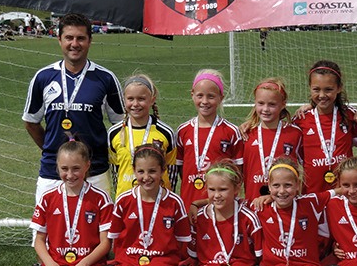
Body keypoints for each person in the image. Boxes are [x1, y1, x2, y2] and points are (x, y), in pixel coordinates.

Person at [23, 12, 124, 204]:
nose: (74, 44)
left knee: (96, 232)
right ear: (59, 39)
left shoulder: (106, 79)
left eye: (80, 38)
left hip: (94, 172)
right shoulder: (43, 78)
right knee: (48, 231)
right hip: (53, 172)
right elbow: (31, 122)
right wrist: (54, 151)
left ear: (90, 41)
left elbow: (121, 126)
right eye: (69, 38)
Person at [30, 139, 113, 266]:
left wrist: (85, 263)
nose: (70, 175)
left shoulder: (100, 199)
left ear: (87, 165)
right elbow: (39, 240)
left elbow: (105, 243)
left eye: (76, 169)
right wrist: (48, 262)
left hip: (87, 264)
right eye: (64, 169)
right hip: (55, 264)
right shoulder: (48, 198)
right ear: (57, 168)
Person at [108, 144, 191, 266]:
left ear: (163, 170)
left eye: (152, 171)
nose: (146, 177)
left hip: (160, 263)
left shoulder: (174, 202)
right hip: (129, 263)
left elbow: (181, 241)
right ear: (134, 171)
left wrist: (162, 254)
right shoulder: (124, 200)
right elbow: (116, 238)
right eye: (141, 171)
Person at [256, 157, 332, 266]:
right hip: (275, 264)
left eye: (288, 185)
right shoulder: (261, 207)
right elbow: (227, 201)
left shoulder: (310, 203)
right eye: (276, 186)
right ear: (269, 186)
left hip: (306, 263)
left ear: (298, 185)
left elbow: (342, 190)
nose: (281, 191)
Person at [188, 160, 262, 266]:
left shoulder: (247, 217)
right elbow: (193, 255)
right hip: (210, 264)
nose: (217, 195)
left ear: (236, 189)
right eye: (212, 189)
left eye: (223, 189)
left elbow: (258, 253)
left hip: (240, 263)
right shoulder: (199, 218)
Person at [176, 69, 242, 210]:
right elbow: (181, 169)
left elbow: (238, 173)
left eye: (211, 96)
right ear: (192, 95)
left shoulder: (231, 131)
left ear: (221, 97)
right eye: (200, 95)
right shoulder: (183, 131)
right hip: (189, 203)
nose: (205, 101)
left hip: (221, 206)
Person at [293, 60, 357, 193]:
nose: (322, 95)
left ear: (339, 88)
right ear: (310, 87)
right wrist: (251, 123)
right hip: (312, 194)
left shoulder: (350, 115)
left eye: (328, 89)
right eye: (316, 89)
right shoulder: (301, 119)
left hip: (345, 194)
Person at [107, 74, 176, 199]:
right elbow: (115, 172)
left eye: (141, 99)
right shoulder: (114, 133)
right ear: (124, 99)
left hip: (159, 201)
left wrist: (169, 197)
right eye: (130, 99)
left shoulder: (165, 132)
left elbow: (171, 172)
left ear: (152, 99)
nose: (135, 104)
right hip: (126, 202)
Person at [240, 78, 302, 200]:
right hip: (253, 204)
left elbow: (306, 169)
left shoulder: (295, 133)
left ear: (283, 104)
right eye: (261, 103)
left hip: (285, 202)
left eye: (272, 104)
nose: (266, 109)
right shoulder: (246, 134)